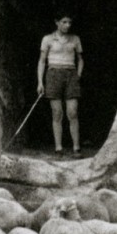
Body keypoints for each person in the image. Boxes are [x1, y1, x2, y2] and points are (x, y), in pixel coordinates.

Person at [36, 13, 84, 156]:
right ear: (57, 22)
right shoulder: (48, 39)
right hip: (53, 74)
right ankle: (58, 148)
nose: (67, 25)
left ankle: (76, 148)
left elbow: (80, 59)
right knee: (57, 113)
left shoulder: (75, 39)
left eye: (69, 22)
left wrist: (78, 76)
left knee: (72, 112)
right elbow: (42, 61)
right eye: (64, 22)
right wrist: (40, 82)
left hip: (70, 74)